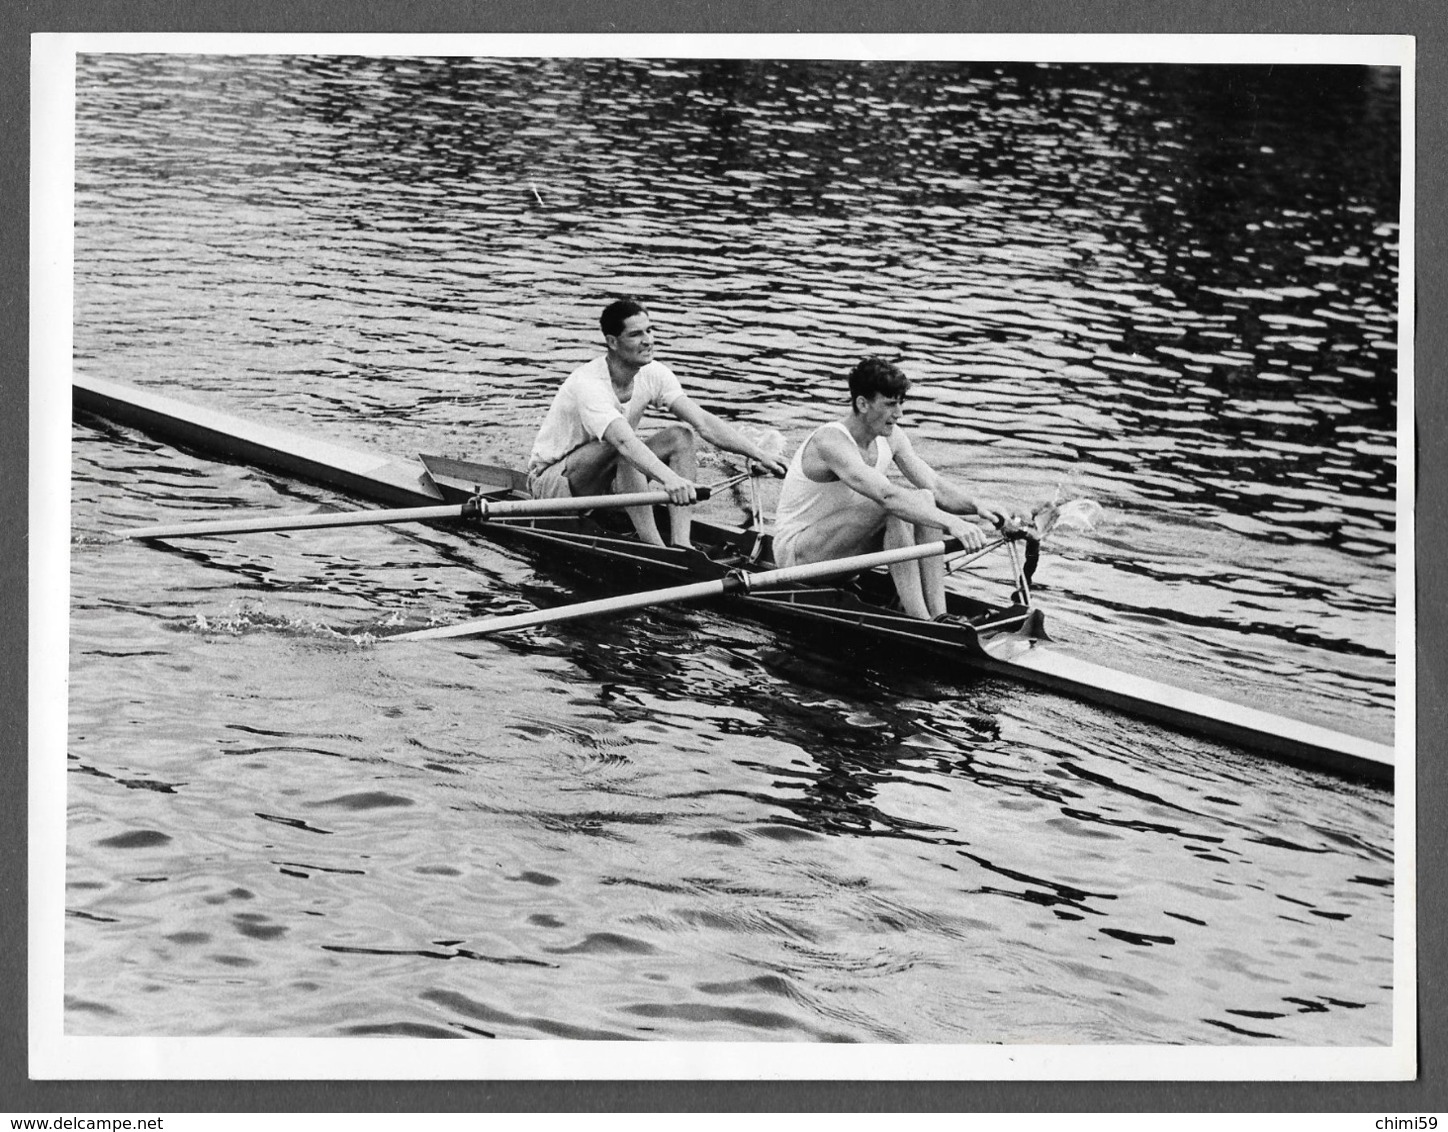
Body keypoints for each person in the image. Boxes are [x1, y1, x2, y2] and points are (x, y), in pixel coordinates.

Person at [528, 299, 789, 548]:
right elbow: (623, 442)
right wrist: (672, 480)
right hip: (552, 486)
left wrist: (759, 454)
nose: (648, 340)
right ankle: (653, 546)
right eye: (635, 335)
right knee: (623, 446)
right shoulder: (589, 384)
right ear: (612, 342)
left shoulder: (653, 373)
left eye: (650, 330)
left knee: (681, 436)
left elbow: (703, 423)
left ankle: (681, 543)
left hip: (603, 477)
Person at [771, 357, 1009, 621]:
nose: (899, 414)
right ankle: (921, 620)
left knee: (924, 498)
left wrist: (977, 507)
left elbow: (935, 486)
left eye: (900, 403)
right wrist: (953, 524)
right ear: (862, 404)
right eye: (890, 404)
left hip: (842, 551)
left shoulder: (891, 436)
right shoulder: (830, 441)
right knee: (893, 507)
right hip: (797, 558)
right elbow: (886, 496)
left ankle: (940, 615)